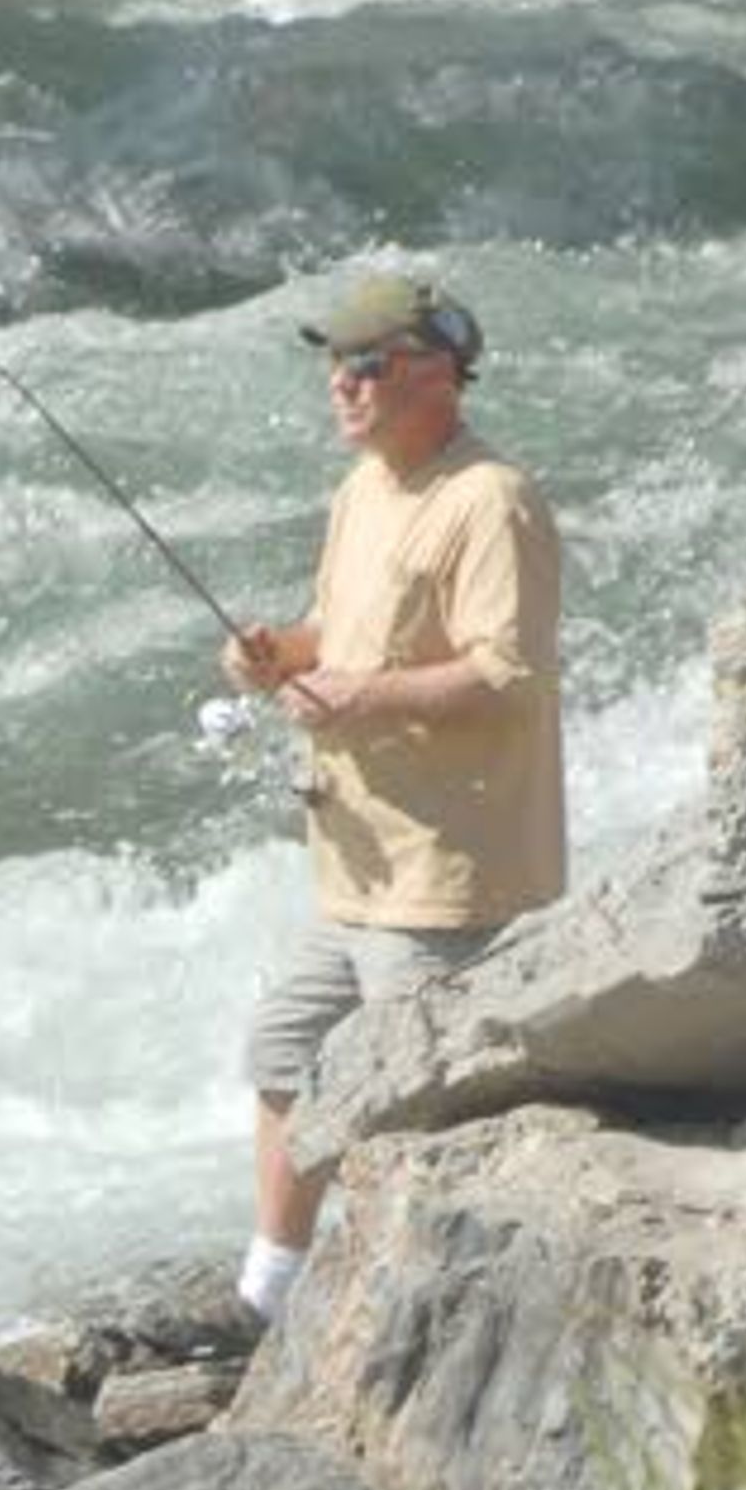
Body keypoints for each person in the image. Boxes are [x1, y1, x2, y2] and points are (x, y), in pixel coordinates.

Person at [222, 257, 565, 1326]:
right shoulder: (363, 490)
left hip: (449, 878)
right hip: (360, 870)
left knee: (420, 1112)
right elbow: (352, 634)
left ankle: (425, 1316)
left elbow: (507, 676)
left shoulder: (491, 500)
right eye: (334, 365)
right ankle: (268, 1298)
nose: (342, 385)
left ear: (437, 375)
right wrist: (282, 650)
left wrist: (361, 695)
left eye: (366, 365)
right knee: (284, 1051)